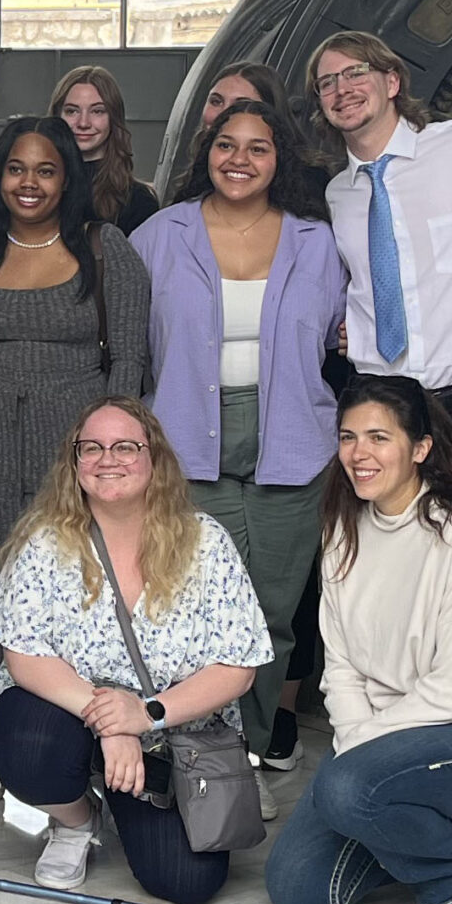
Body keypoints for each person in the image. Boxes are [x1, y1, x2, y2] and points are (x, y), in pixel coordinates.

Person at [0, 118, 150, 814]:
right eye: (16, 169)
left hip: (72, 450)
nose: (30, 183)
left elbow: (129, 357)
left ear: (68, 175)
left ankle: (79, 748)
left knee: (75, 599)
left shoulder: (107, 250)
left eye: (45, 169)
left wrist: (117, 453)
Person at [267, 378, 452, 904]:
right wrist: (359, 740)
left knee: (347, 789)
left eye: (377, 438)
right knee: (296, 889)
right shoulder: (343, 530)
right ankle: (409, 827)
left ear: (420, 448)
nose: (358, 454)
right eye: (347, 437)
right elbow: (338, 666)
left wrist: (361, 752)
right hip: (377, 745)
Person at [0, 398, 272, 904]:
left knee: (187, 884)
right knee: (29, 743)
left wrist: (145, 715)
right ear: (74, 463)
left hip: (170, 731)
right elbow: (23, 654)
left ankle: (123, 795)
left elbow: (237, 667)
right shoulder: (44, 541)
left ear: (153, 459)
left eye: (125, 447)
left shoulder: (207, 543)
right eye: (90, 447)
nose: (106, 458)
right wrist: (113, 721)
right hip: (70, 712)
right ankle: (75, 819)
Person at [135, 97, 345, 777]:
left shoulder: (317, 242)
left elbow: (352, 331)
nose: (240, 160)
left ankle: (247, 755)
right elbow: (132, 342)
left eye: (258, 147)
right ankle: (203, 757)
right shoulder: (162, 234)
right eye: (228, 144)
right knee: (203, 609)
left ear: (279, 158)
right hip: (188, 441)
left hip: (293, 438)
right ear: (208, 151)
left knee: (274, 613)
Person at [313, 31, 452, 452]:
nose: (342, 89)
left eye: (356, 72)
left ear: (392, 83)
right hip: (377, 403)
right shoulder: (339, 194)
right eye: (327, 82)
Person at [53, 65, 161, 235]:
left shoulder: (137, 201)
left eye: (97, 111)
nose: (83, 123)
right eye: (72, 111)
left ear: (113, 118)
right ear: (57, 116)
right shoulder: (36, 190)